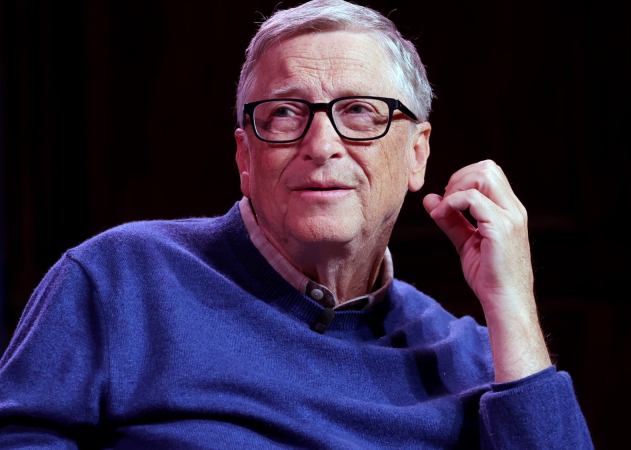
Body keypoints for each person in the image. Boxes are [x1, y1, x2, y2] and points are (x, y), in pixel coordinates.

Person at [0, 0, 592, 447]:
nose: (322, 144)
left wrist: (513, 307)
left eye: (359, 112)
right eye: (285, 113)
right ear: (244, 156)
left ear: (417, 155)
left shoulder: (474, 359)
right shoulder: (119, 279)